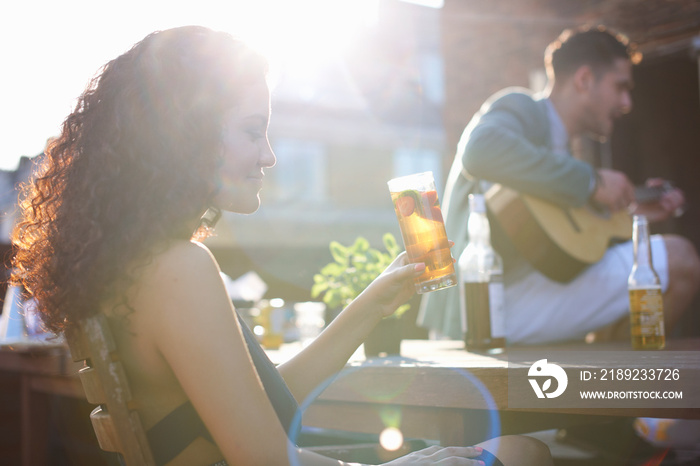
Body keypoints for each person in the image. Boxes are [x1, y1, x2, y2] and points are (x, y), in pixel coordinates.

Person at [11, 26, 552, 466]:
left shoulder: (136, 267)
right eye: (252, 131)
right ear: (185, 135)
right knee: (526, 451)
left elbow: (265, 405)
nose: (268, 155)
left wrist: (374, 303)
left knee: (521, 451)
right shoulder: (180, 270)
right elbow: (268, 457)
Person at [418, 25, 700, 345]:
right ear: (584, 80)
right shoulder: (522, 108)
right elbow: (479, 151)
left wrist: (632, 213)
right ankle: (626, 387)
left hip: (527, 294)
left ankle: (613, 384)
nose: (626, 103)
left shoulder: (561, 155)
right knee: (680, 259)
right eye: (620, 87)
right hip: (484, 303)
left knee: (645, 275)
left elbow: (565, 241)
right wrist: (591, 181)